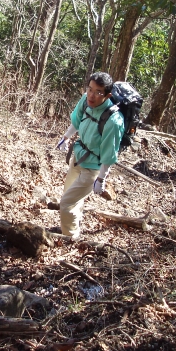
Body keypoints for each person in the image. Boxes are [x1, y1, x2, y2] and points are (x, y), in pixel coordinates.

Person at [55, 72, 124, 239]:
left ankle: (71, 237)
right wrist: (65, 138)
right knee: (70, 196)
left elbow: (109, 153)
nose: (91, 95)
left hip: (92, 169)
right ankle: (74, 224)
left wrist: (101, 179)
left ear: (107, 95)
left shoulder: (113, 121)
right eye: (90, 89)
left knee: (66, 203)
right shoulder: (86, 100)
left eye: (98, 92)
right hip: (78, 157)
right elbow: (77, 121)